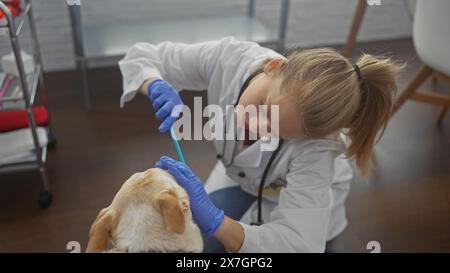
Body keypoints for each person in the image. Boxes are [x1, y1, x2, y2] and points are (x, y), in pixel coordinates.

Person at [118, 37, 401, 252]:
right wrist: (154, 84)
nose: (254, 126)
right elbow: (142, 56)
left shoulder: (319, 149)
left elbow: (300, 242)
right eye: (264, 108)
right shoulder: (229, 57)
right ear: (273, 67)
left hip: (303, 204)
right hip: (240, 177)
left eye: (277, 131)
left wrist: (218, 222)